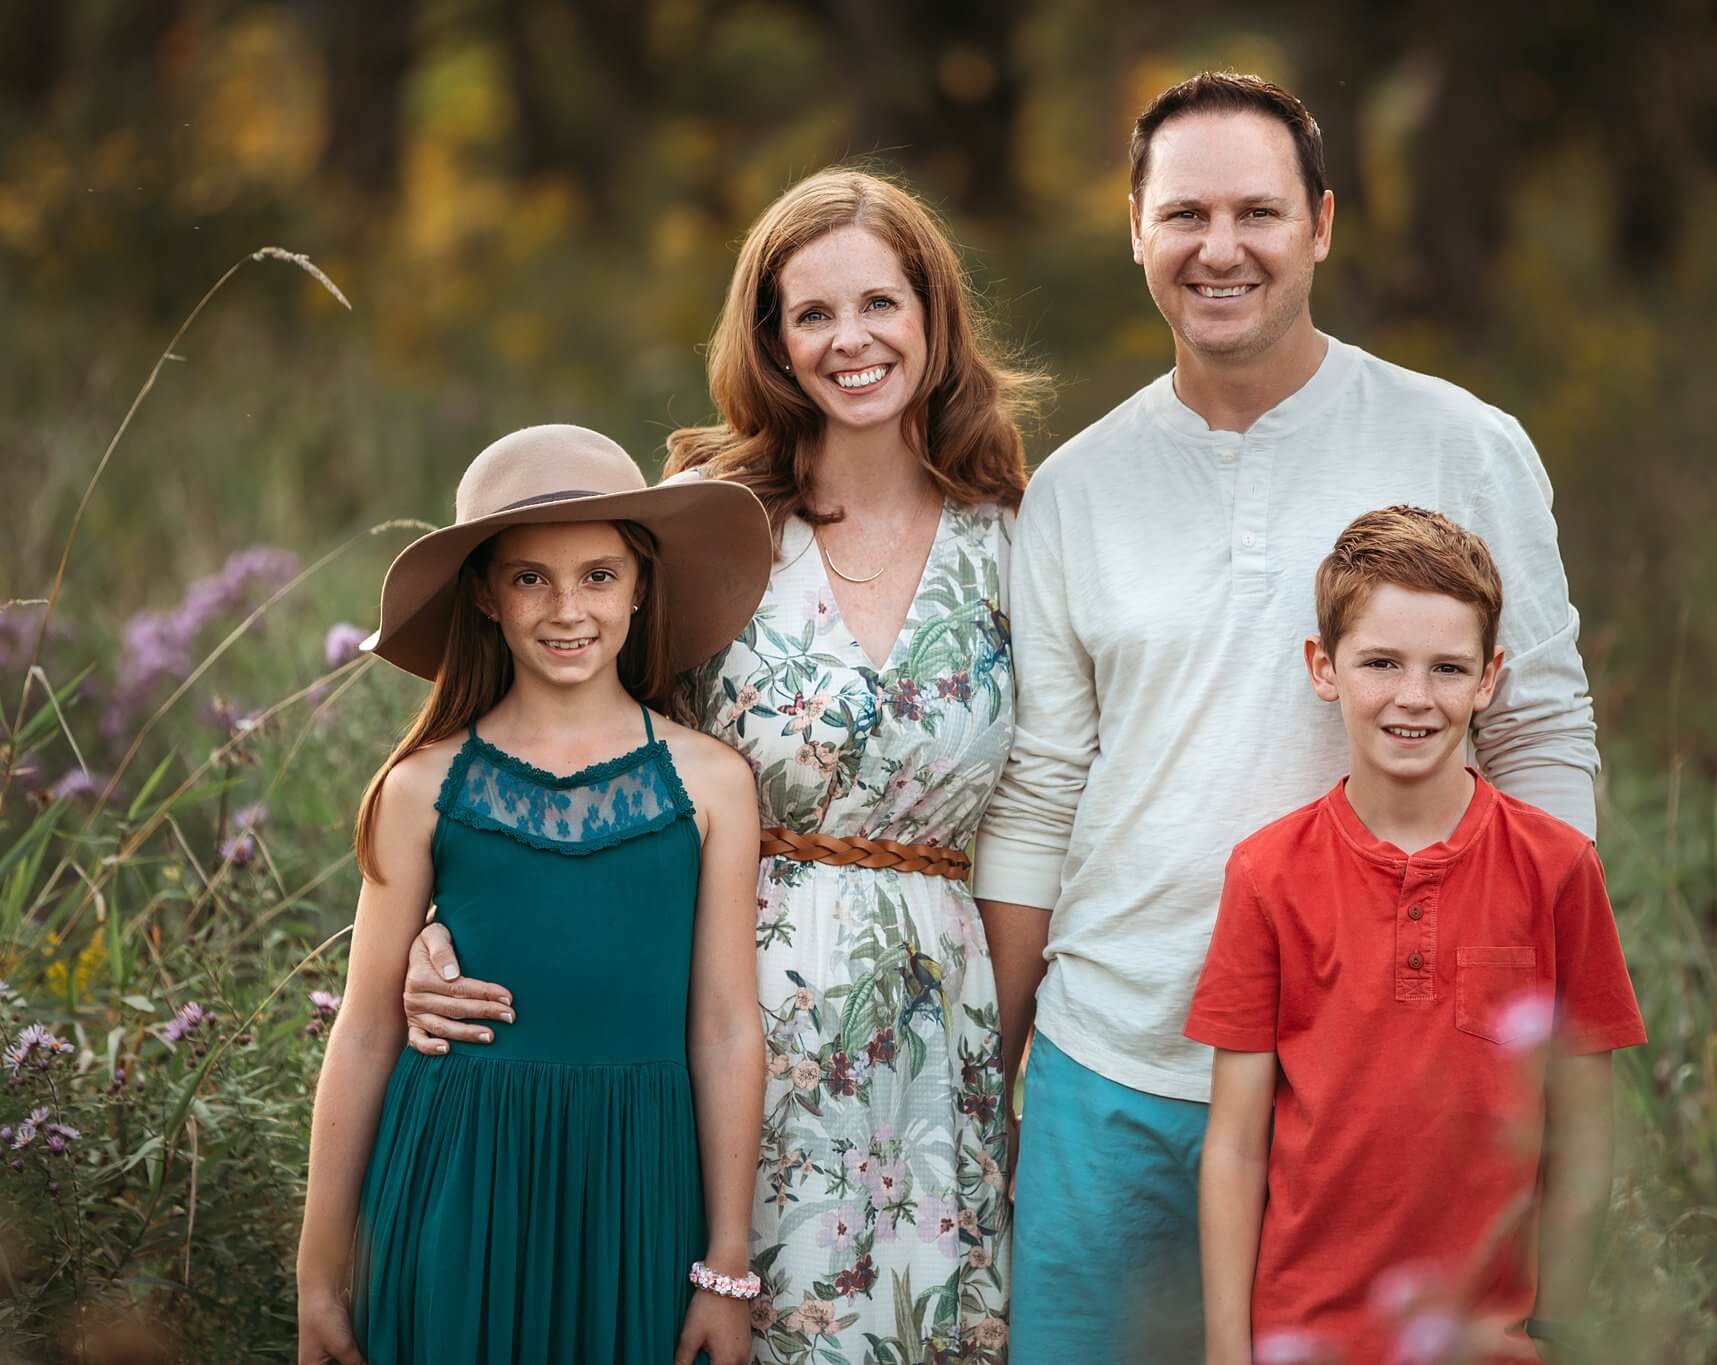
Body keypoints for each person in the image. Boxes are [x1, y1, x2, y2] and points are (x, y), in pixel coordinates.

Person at [972, 72, 1605, 1362]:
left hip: (1388, 1083)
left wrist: (1506, 1026)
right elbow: (1041, 787)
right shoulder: (1074, 490)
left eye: (1256, 212)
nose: (1220, 248)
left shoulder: (1462, 443)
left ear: (1319, 223)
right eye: (1183, 214)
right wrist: (992, 1068)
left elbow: (1539, 732)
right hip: (1119, 1064)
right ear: (1133, 229)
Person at [400, 171, 1046, 1362]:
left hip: (929, 1048)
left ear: (933, 316)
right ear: (772, 342)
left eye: (880, 304)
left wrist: (991, 1055)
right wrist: (437, 934)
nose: (849, 340)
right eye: (810, 315)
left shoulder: (1014, 536)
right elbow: (562, 741)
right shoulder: (708, 524)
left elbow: (1037, 819)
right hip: (693, 1023)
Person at [295, 424, 772, 1365]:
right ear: (484, 593)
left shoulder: (713, 783)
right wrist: (318, 1275)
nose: (568, 608)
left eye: (599, 574)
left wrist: (726, 1261)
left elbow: (723, 1025)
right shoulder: (422, 787)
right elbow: (363, 1029)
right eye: (530, 578)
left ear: (641, 584)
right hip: (453, 1177)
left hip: (637, 1182)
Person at [1188, 506, 1646, 1365]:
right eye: (1381, 663)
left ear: (1489, 677)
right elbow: (1238, 1143)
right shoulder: (1266, 872)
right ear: (1324, 668)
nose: (1413, 696)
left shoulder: (1557, 867)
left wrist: (1559, 1324)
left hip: (1490, 1342)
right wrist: (1226, 1347)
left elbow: (1584, 1126)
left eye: (1447, 668)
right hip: (1305, 1337)